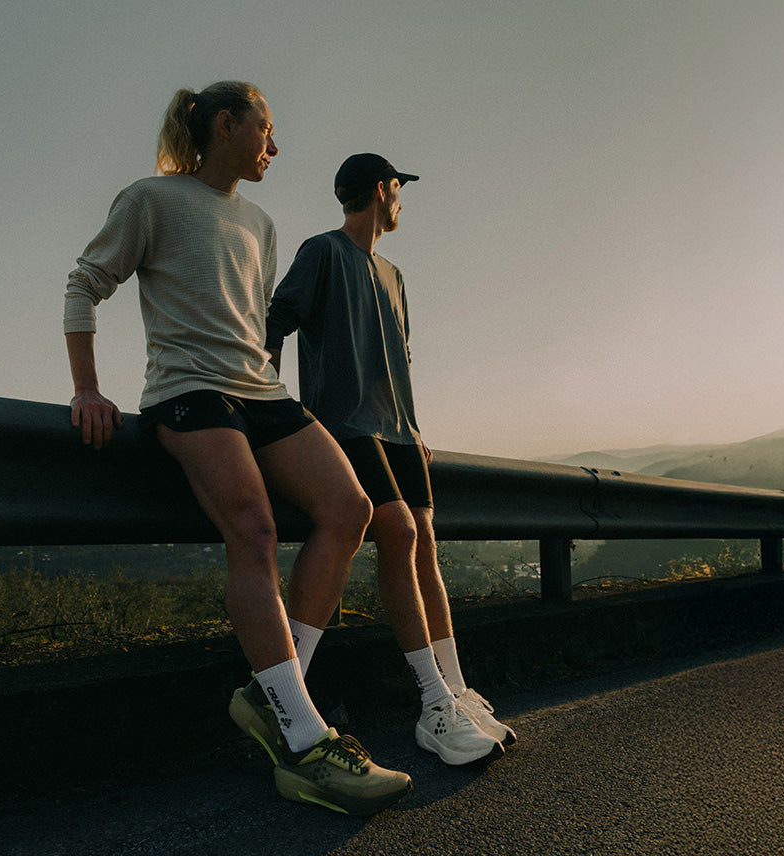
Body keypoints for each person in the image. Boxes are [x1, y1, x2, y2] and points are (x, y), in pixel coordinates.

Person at [63, 85, 411, 815]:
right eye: (266, 130)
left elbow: (253, 327)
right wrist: (88, 389)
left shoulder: (260, 221)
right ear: (226, 125)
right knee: (252, 530)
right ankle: (306, 743)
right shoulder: (149, 200)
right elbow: (84, 286)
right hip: (189, 392)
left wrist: (275, 399)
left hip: (262, 392)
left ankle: (275, 698)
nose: (274, 148)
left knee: (350, 509)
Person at [262, 152, 518, 765]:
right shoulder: (321, 251)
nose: (402, 201)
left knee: (424, 540)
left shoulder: (396, 276)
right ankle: (431, 704)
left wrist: (414, 424)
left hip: (401, 432)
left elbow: (398, 357)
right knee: (399, 531)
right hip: (345, 424)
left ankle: (455, 692)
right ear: (382, 190)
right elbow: (275, 321)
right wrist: (271, 407)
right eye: (400, 189)